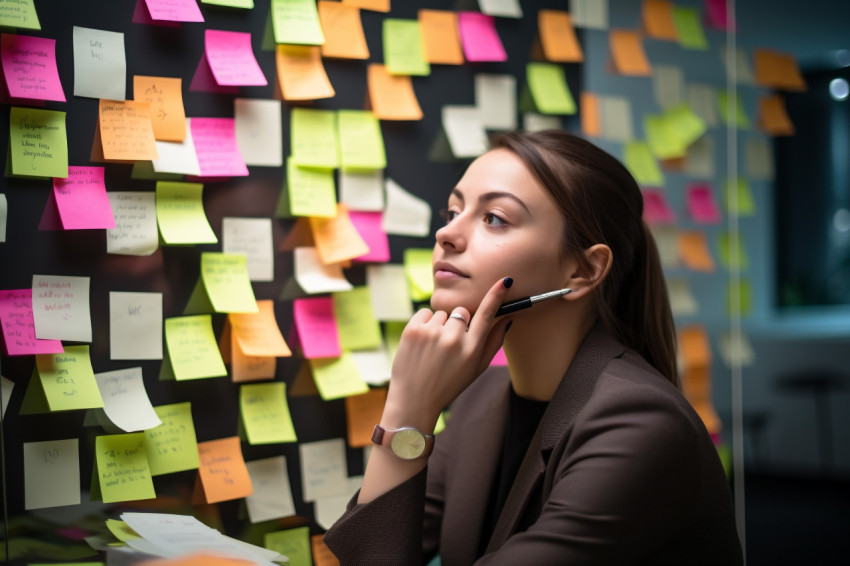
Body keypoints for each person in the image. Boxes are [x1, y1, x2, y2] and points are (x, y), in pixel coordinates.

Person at [324, 131, 744, 565]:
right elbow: (373, 550)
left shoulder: (639, 425)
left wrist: (409, 412)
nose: (447, 233)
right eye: (453, 210)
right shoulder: (481, 398)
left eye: (494, 218)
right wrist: (406, 414)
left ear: (583, 269)